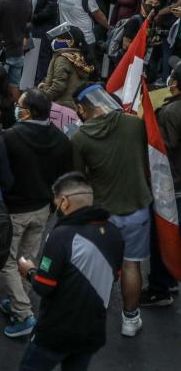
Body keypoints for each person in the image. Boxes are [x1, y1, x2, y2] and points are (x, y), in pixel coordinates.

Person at [17, 172, 123, 371]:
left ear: (64, 202)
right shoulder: (114, 234)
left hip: (55, 332)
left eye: (56, 202)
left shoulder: (61, 235)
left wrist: (29, 271)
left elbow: (44, 286)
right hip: (91, 331)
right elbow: (114, 277)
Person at [70, 83, 151, 336]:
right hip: (137, 208)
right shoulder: (135, 125)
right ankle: (130, 318)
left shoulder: (79, 138)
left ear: (82, 109)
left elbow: (77, 179)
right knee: (132, 266)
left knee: (99, 266)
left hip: (102, 213)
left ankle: (95, 312)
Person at [0, 88, 73, 338]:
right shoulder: (62, 141)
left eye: (20, 105)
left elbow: (3, 175)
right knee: (27, 258)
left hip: (15, 210)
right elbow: (64, 179)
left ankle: (23, 311)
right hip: (42, 210)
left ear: (28, 112)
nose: (16, 107)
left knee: (7, 261)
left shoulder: (10, 137)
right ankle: (19, 297)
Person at [145, 64, 181, 305]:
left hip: (171, 184)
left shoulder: (170, 113)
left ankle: (160, 287)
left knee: (163, 236)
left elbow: (162, 151)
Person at [38, 25, 94, 111]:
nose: (55, 41)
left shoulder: (62, 59)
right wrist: (46, 83)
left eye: (59, 38)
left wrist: (43, 99)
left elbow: (58, 86)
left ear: (71, 42)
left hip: (60, 107)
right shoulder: (77, 56)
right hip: (73, 106)